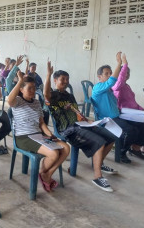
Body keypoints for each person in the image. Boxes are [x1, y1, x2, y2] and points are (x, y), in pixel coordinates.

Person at [44, 60, 118, 192]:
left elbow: (76, 112)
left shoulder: (70, 96)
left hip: (80, 125)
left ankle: (99, 163)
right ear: (55, 80)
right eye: (62, 79)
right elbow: (46, 95)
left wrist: (87, 120)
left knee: (111, 136)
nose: (66, 81)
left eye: (67, 79)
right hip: (67, 130)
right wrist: (48, 75)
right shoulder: (53, 95)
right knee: (100, 142)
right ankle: (97, 176)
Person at [8, 70, 70, 192]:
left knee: (66, 148)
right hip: (23, 137)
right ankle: (43, 174)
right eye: (29, 88)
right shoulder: (17, 102)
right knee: (54, 153)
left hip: (38, 135)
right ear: (21, 89)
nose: (33, 91)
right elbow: (9, 100)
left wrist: (51, 135)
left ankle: (46, 174)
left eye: (34, 88)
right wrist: (20, 80)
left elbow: (41, 123)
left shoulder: (36, 103)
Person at [92, 52, 144, 163]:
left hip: (118, 115)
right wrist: (121, 63)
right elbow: (113, 81)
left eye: (110, 73)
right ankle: (121, 152)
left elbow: (115, 82)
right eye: (106, 73)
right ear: (99, 77)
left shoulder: (110, 89)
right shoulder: (98, 87)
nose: (110, 75)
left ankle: (136, 148)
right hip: (108, 119)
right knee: (131, 130)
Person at [112, 56, 144, 156]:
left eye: (128, 73)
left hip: (132, 112)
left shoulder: (127, 86)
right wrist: (124, 64)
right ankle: (141, 146)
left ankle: (139, 145)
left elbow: (133, 103)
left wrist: (143, 109)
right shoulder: (117, 86)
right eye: (125, 72)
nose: (127, 74)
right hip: (123, 112)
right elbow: (119, 81)